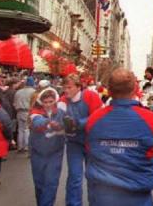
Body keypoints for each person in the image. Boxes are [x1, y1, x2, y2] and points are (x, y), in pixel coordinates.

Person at [84, 68, 153, 206]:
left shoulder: (93, 120)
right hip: (138, 198)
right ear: (136, 89)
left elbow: (89, 147)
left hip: (101, 198)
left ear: (109, 91)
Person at [58, 74, 103, 206]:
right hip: (74, 143)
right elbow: (58, 118)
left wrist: (79, 123)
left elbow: (98, 116)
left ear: (78, 87)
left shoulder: (90, 96)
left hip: (92, 143)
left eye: (69, 87)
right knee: (74, 176)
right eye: (64, 87)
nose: (66, 90)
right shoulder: (63, 101)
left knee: (93, 176)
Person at [30, 87, 66, 206]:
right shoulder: (35, 112)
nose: (48, 104)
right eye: (45, 102)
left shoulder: (61, 112)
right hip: (37, 152)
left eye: (51, 101)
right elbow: (37, 122)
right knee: (39, 183)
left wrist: (64, 127)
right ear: (41, 102)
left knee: (51, 183)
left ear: (55, 100)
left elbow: (67, 126)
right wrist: (48, 123)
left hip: (55, 152)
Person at [15, 76, 37, 153]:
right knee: (27, 129)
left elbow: (14, 103)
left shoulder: (18, 92)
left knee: (20, 130)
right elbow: (35, 103)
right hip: (27, 111)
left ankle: (20, 147)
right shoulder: (33, 91)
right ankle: (26, 146)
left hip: (19, 112)